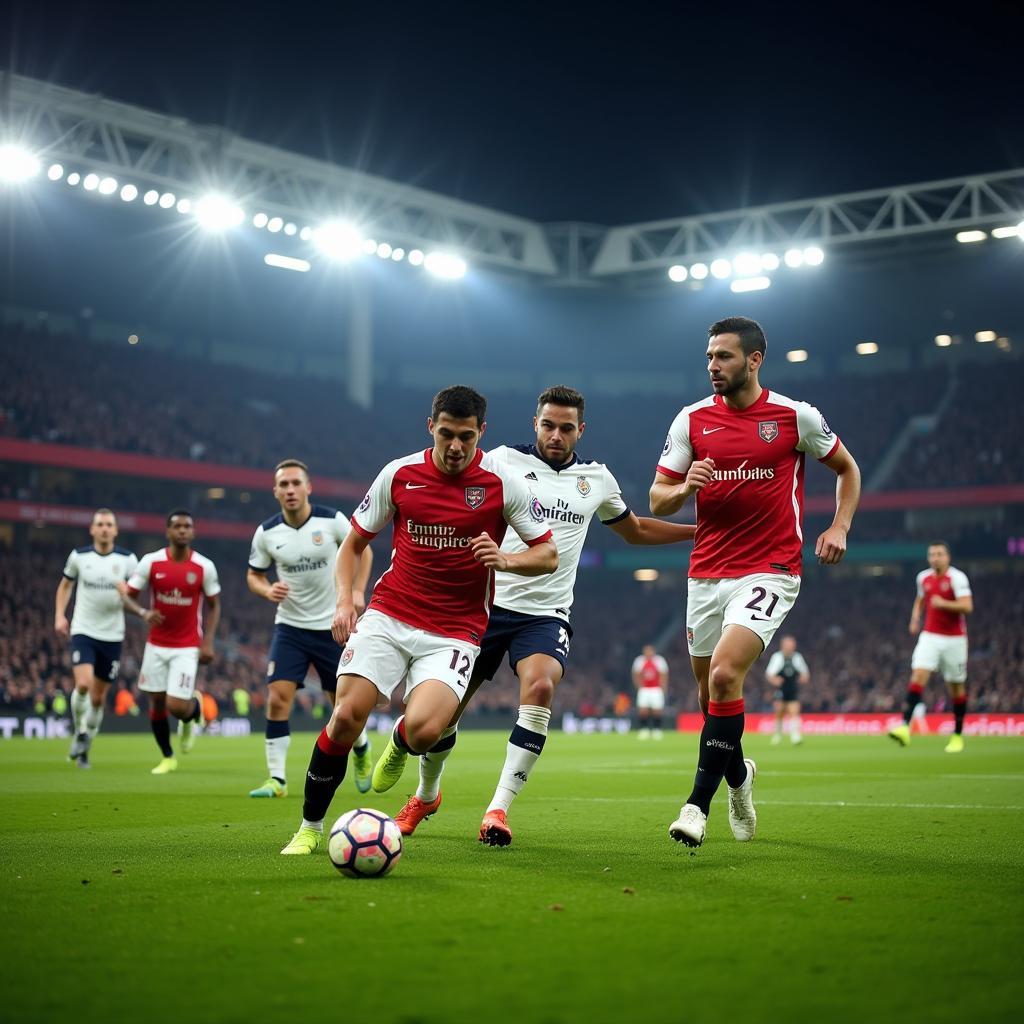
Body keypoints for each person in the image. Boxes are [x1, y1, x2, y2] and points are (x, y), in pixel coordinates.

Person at [388, 385, 695, 846]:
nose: (556, 434)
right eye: (548, 425)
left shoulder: (598, 480)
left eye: (566, 428)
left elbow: (634, 530)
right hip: (483, 607)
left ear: (580, 431)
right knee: (443, 718)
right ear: (535, 424)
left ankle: (498, 810)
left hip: (546, 614)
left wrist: (696, 531)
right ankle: (426, 794)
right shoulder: (501, 462)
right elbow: (451, 479)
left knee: (541, 686)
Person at [280, 385, 558, 855]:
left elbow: (547, 553)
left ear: (481, 433)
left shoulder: (503, 483)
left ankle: (399, 739)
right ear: (430, 426)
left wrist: (506, 561)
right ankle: (309, 827)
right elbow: (352, 544)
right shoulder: (399, 474)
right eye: (446, 434)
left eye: (466, 437)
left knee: (426, 731)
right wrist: (346, 600)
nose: (454, 447)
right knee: (345, 716)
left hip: (455, 628)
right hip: (391, 613)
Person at [650, 316, 860, 849]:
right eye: (709, 357)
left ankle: (696, 806)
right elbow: (657, 498)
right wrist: (684, 488)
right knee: (711, 698)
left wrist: (838, 525)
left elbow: (848, 470)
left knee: (723, 675)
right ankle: (740, 779)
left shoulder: (794, 417)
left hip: (771, 567)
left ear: (755, 359)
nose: (713, 366)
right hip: (706, 573)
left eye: (723, 356)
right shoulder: (692, 420)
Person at [246, 459, 374, 798]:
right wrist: (265, 589)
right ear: (275, 491)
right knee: (277, 698)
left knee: (340, 706)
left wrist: (357, 592)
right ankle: (277, 780)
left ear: (308, 487)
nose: (289, 490)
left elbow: (364, 550)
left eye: (295, 483)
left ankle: (361, 748)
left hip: (332, 625)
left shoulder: (331, 521)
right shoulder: (267, 533)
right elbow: (253, 574)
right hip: (289, 627)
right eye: (283, 485)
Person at [54, 508, 158, 768]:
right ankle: (80, 732)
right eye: (99, 524)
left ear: (115, 530)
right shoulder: (79, 557)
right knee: (83, 685)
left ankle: (86, 743)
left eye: (108, 524)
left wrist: (129, 594)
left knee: (98, 699)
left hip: (112, 635)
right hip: (83, 630)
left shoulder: (127, 560)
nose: (103, 528)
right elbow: (66, 585)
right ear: (92, 529)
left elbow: (136, 595)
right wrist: (59, 615)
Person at [126, 510, 221, 774]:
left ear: (193, 532)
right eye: (177, 526)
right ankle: (167, 756)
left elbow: (214, 605)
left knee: (176, 706)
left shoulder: (204, 566)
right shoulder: (151, 562)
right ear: (167, 531)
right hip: (156, 644)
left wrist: (208, 642)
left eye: (187, 526)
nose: (182, 530)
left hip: (187, 645)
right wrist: (143, 612)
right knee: (155, 702)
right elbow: (128, 596)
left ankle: (193, 711)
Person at [889, 542, 973, 753]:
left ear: (948, 557)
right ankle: (905, 727)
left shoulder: (957, 578)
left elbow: (967, 606)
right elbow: (920, 599)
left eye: (939, 554)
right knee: (918, 674)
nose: (935, 557)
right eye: (932, 554)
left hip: (955, 639)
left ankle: (957, 735)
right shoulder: (923, 578)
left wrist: (944, 604)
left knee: (956, 688)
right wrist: (915, 618)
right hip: (930, 636)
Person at [765, 635, 810, 745]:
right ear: (783, 645)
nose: (791, 646)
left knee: (794, 711)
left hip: (793, 688)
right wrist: (775, 680)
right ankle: (777, 735)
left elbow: (805, 672)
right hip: (780, 689)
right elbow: (769, 674)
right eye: (789, 644)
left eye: (792, 644)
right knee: (779, 712)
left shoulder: (797, 657)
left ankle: (795, 736)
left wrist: (804, 677)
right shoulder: (777, 657)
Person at [632, 644, 670, 740]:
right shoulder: (639, 661)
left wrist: (663, 687)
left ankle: (657, 730)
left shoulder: (659, 661)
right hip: (644, 689)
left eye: (650, 651)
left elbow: (664, 674)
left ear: (653, 651)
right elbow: (635, 674)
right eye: (647, 651)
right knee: (643, 710)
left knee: (657, 710)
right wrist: (638, 686)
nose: (648, 653)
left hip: (656, 689)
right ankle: (644, 730)